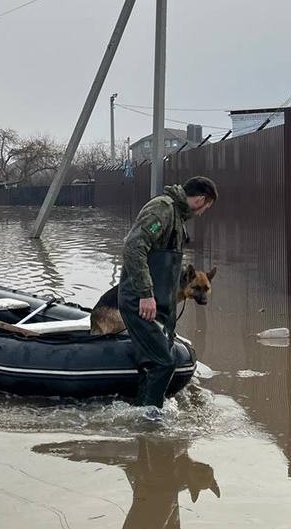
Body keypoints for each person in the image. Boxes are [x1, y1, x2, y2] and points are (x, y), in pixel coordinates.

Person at [117, 176, 217, 417]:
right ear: (201, 199)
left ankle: (144, 411)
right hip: (140, 299)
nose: (204, 212)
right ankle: (149, 423)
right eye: (207, 207)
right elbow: (133, 247)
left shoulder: (177, 217)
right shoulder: (162, 209)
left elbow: (165, 264)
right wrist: (145, 294)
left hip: (160, 302)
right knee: (163, 362)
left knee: (156, 361)